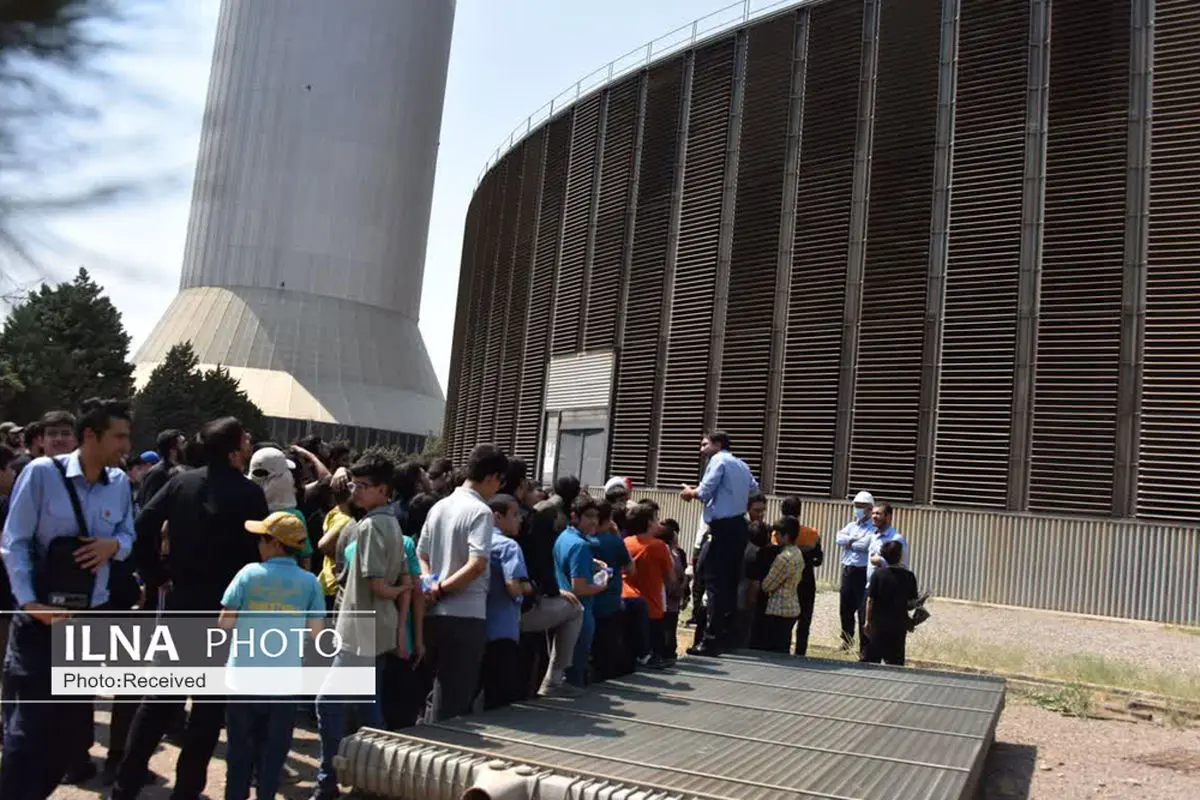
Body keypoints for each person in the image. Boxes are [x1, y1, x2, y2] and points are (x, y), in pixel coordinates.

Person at [112, 416, 269, 800]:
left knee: (157, 703)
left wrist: (155, 572)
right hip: (224, 615)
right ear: (234, 451)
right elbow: (259, 556)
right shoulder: (250, 495)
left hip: (182, 603)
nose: (249, 443)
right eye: (245, 438)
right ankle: (186, 791)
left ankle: (124, 784)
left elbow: (142, 526)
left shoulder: (180, 483)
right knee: (206, 712)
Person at [1, 398, 135, 799]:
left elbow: (130, 535)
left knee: (69, 736)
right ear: (91, 436)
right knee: (28, 733)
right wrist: (28, 603)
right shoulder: (42, 473)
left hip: (87, 623)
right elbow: (15, 542)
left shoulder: (120, 484)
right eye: (119, 436)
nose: (126, 445)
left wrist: (114, 545)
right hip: (41, 621)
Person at [314, 454, 412, 799]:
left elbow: (377, 585)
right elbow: (402, 576)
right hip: (376, 627)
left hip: (359, 629)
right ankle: (370, 780)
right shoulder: (394, 523)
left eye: (363, 486)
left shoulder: (370, 526)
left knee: (328, 702)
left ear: (383, 489)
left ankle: (329, 778)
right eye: (354, 484)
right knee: (369, 708)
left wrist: (397, 590)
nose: (355, 490)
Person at [219, 511, 325, 800]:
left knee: (239, 751)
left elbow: (225, 622)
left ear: (276, 543)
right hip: (284, 682)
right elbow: (316, 634)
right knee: (273, 752)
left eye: (263, 538)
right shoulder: (310, 583)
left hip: (242, 679)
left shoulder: (248, 574)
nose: (258, 544)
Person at [418, 444, 507, 722]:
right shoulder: (480, 512)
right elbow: (477, 563)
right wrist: (442, 589)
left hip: (432, 613)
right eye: (500, 481)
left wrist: (430, 587)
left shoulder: (439, 506)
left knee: (429, 694)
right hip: (465, 615)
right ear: (491, 477)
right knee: (453, 699)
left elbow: (421, 554)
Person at [680, 431, 759, 656]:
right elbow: (754, 489)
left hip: (722, 528)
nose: (702, 449)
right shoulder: (742, 465)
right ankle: (725, 636)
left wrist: (689, 492)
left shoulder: (718, 461)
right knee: (730, 583)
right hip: (738, 527)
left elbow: (704, 491)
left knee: (713, 583)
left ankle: (710, 640)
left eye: (705, 444)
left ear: (718, 444)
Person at [517, 475, 583, 697]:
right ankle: (554, 679)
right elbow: (542, 556)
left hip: (534, 584)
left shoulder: (547, 508)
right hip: (535, 587)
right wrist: (552, 589)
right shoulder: (550, 512)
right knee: (575, 611)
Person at [480, 494, 532, 709]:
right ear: (497, 517)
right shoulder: (509, 547)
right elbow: (513, 587)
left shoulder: (474, 542)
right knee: (499, 699)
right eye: (515, 514)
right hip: (502, 629)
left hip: (475, 626)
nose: (519, 519)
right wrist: (528, 589)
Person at [552, 495, 608, 688]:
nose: (594, 521)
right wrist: (602, 585)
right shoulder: (581, 545)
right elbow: (580, 587)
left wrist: (592, 563)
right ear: (575, 516)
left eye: (596, 516)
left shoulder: (564, 537)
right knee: (575, 673)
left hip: (563, 608)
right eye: (589, 516)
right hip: (580, 611)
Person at [622, 501, 675, 667]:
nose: (659, 522)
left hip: (626, 600)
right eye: (656, 518)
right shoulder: (659, 546)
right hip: (652, 607)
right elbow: (670, 579)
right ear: (649, 522)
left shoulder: (626, 542)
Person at [863, 540, 919, 666]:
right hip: (899, 623)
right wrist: (912, 621)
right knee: (896, 661)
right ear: (900, 556)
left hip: (879, 622)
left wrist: (867, 621)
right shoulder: (909, 576)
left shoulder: (878, 574)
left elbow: (870, 599)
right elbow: (913, 603)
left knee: (872, 659)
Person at [835, 490, 876, 650]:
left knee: (862, 609)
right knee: (845, 607)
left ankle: (864, 645)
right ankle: (846, 639)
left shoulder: (872, 528)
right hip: (847, 570)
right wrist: (853, 541)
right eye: (856, 506)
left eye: (861, 506)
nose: (857, 509)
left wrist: (849, 542)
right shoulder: (851, 525)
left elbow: (865, 545)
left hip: (862, 571)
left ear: (869, 508)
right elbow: (838, 538)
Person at [758, 517, 805, 653]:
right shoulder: (798, 553)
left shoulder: (783, 558)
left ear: (786, 536)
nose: (775, 537)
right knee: (784, 647)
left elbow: (768, 585)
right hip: (792, 605)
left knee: (774, 651)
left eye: (778, 534)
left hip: (778, 609)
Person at [659, 519, 688, 660]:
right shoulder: (672, 555)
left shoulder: (675, 555)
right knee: (668, 631)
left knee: (668, 631)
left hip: (670, 600)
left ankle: (668, 654)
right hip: (670, 600)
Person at [136, 429, 185, 508]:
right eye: (182, 444)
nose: (185, 447)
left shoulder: (181, 469)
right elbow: (148, 506)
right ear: (172, 451)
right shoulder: (157, 473)